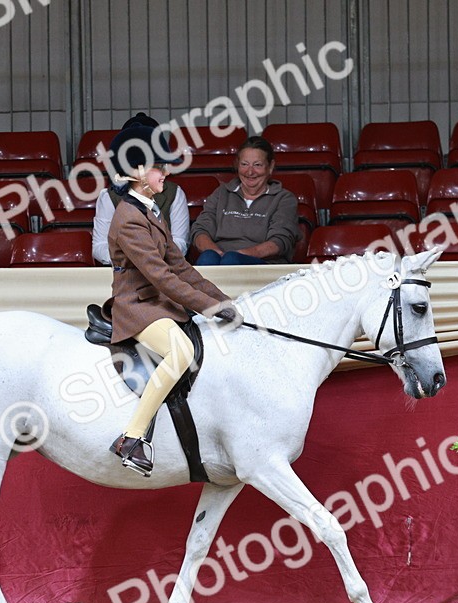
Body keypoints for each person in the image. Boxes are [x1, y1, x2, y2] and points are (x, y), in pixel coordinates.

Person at [105, 124, 243, 477]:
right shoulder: (128, 219)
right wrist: (210, 308)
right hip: (137, 307)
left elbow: (180, 266)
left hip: (158, 304)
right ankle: (132, 438)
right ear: (137, 173)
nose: (165, 173)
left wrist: (223, 300)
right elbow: (162, 278)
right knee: (180, 349)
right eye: (158, 167)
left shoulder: (151, 210)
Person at [91, 113, 190, 265]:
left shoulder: (175, 193)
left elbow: (180, 244)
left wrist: (150, 258)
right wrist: (132, 258)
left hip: (166, 269)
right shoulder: (108, 196)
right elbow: (99, 247)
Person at [190, 136, 301, 265]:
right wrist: (218, 254)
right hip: (221, 259)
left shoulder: (284, 198)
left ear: (270, 167)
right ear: (237, 166)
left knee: (231, 260)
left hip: (263, 265)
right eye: (244, 164)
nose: (250, 171)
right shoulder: (221, 194)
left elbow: (280, 241)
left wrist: (237, 255)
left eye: (257, 165)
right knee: (207, 257)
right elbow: (200, 230)